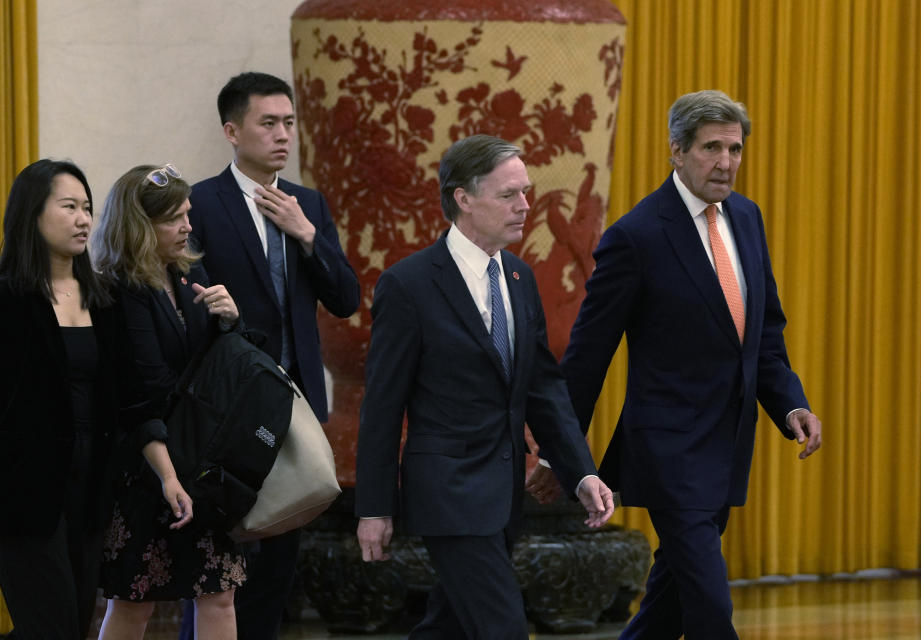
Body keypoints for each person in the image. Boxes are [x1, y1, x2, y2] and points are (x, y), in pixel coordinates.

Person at [533, 90, 823, 639]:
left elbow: (762, 335)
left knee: (666, 607)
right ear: (676, 151)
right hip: (668, 452)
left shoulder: (747, 218)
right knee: (712, 610)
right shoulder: (636, 237)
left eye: (734, 149)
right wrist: (558, 454)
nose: (726, 162)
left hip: (728, 444)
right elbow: (587, 356)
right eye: (711, 147)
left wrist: (792, 404)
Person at [355, 134, 616, 639]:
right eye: (509, 195)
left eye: (526, 191)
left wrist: (581, 473)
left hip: (502, 497)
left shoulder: (519, 277)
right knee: (503, 629)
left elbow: (543, 389)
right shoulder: (408, 285)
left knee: (447, 627)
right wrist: (374, 506)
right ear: (463, 198)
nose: (525, 206)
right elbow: (382, 408)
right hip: (448, 493)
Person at [185, 71, 360, 640]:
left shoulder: (306, 203)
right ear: (232, 131)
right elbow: (189, 298)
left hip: (298, 402)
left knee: (281, 555)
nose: (283, 134)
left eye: (289, 123)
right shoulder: (201, 203)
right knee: (219, 559)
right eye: (269, 123)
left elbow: (346, 298)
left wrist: (308, 235)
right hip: (230, 403)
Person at [0, 159, 158, 639]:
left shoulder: (104, 298)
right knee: (51, 625)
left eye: (87, 207)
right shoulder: (8, 299)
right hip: (24, 492)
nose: (84, 219)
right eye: (69, 206)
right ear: (32, 213)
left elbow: (131, 396)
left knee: (73, 622)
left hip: (92, 490)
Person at [91, 164, 244, 640]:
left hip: (201, 459)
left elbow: (214, 366)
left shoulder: (186, 271)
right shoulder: (118, 287)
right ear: (140, 226)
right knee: (135, 600)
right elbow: (142, 393)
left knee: (219, 592)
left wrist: (229, 320)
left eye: (188, 214)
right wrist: (168, 475)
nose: (188, 227)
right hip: (147, 467)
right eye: (174, 219)